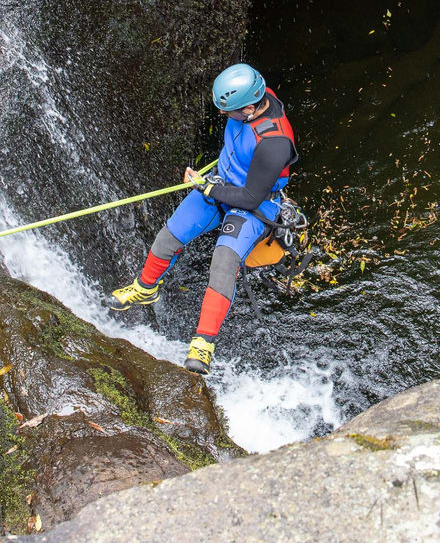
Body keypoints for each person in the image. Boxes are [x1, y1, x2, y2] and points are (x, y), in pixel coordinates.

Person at [103, 63, 297, 374]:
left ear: (249, 108)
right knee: (169, 236)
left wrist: (207, 187)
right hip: (221, 183)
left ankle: (203, 344)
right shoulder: (257, 97)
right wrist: (208, 179)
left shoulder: (274, 143)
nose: (223, 115)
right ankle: (145, 288)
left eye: (229, 111)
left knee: (223, 261)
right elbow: (234, 148)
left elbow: (250, 197)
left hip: (253, 204)